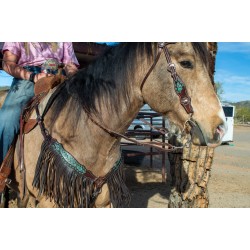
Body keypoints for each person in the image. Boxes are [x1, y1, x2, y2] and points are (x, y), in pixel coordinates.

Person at [0, 42, 79, 165]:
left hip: (60, 77)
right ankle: (1, 172)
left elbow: (70, 65)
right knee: (7, 119)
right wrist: (33, 77)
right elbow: (8, 64)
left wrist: (75, 79)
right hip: (27, 77)